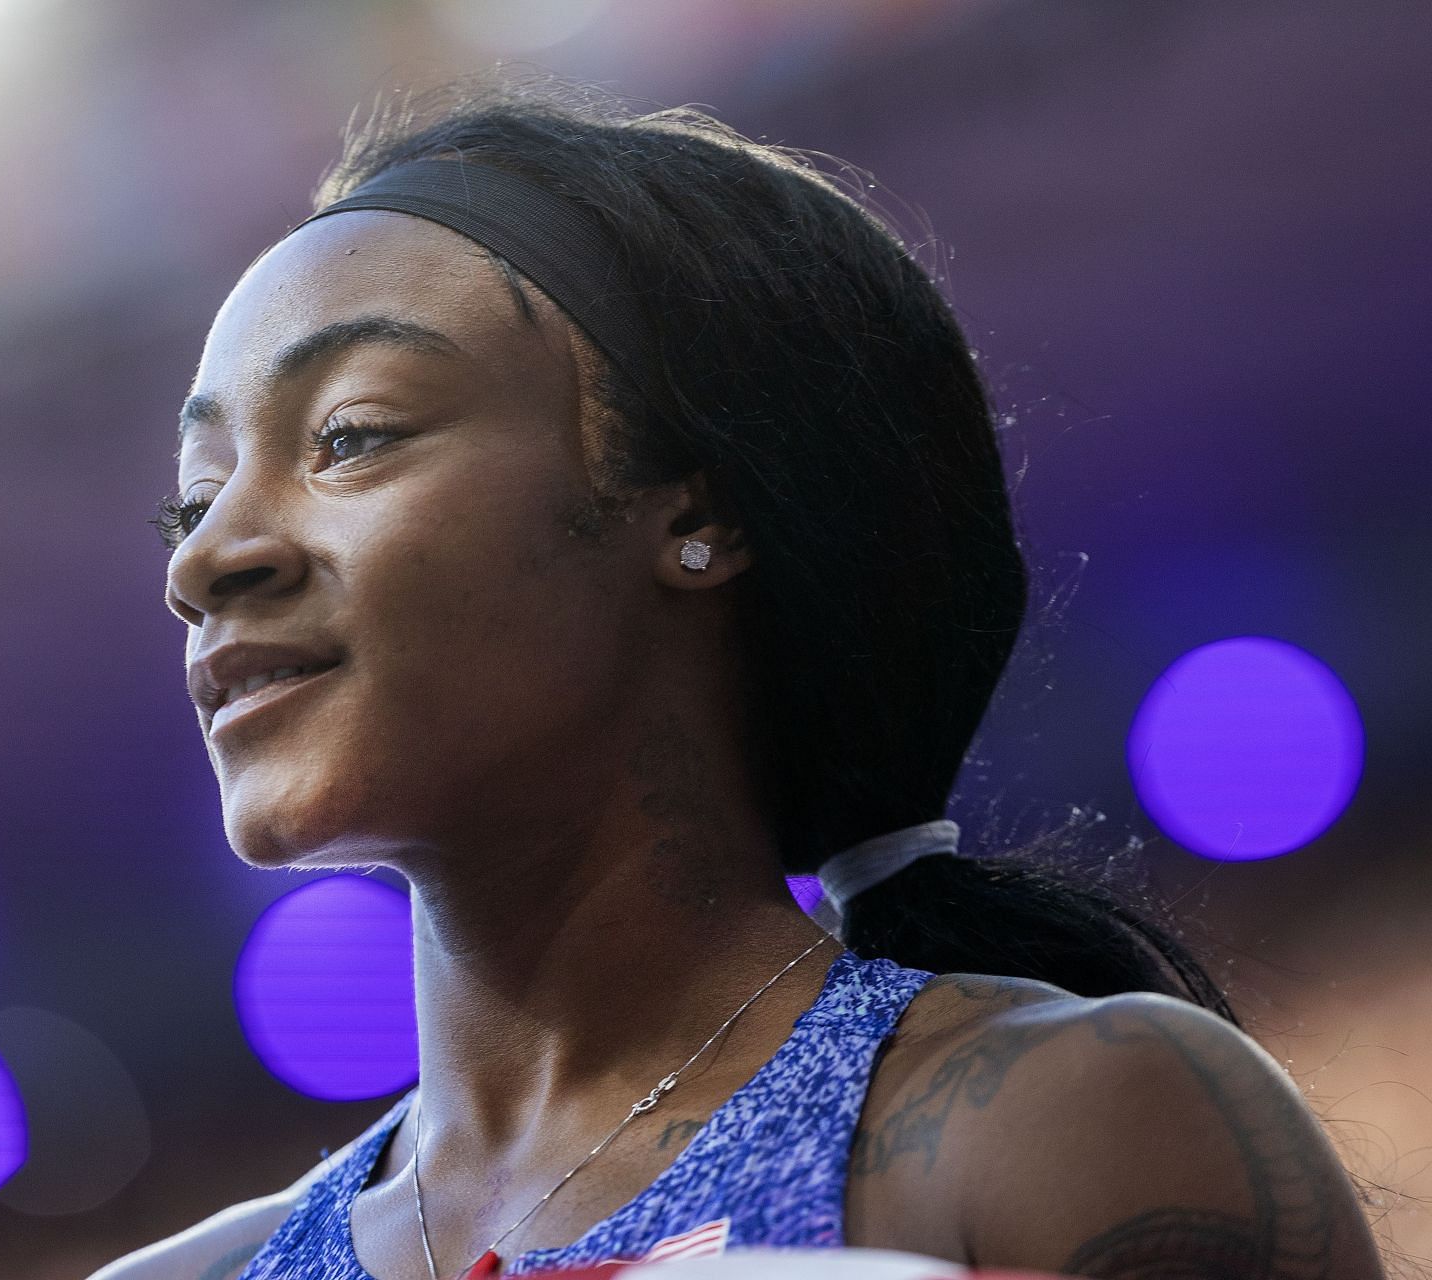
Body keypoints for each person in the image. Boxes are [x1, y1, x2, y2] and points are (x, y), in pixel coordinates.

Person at [94, 69, 1389, 1280]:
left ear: (695, 507)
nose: (207, 559)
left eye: (350, 436)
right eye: (194, 500)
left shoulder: (1069, 1128)